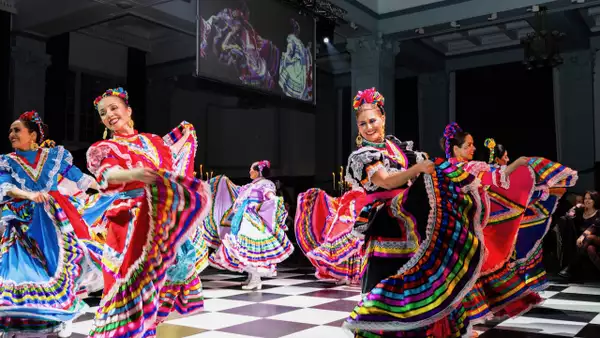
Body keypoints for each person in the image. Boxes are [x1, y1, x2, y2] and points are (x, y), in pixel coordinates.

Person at [338, 88, 487, 337]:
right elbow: (385, 181)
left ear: (383, 118)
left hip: (411, 221)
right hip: (386, 221)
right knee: (389, 280)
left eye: (372, 120)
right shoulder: (362, 155)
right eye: (362, 123)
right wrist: (417, 169)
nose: (368, 127)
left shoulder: (397, 148)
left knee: (422, 274)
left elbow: (421, 171)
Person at [84, 87, 211, 337]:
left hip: (157, 220)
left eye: (113, 108)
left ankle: (148, 329)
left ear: (128, 111)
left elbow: (170, 160)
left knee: (161, 282)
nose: (109, 114)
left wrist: (185, 132)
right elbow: (105, 176)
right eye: (103, 112)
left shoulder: (153, 141)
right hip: (128, 221)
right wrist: (135, 174)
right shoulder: (106, 147)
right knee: (127, 285)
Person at [0, 111, 97, 337]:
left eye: (16, 130)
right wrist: (28, 195)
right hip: (24, 221)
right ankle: (17, 319)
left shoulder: (54, 157)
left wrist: (106, 187)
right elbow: (4, 187)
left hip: (57, 219)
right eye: (10, 131)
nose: (11, 134)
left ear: (32, 135)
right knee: (22, 270)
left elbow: (78, 177)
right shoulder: (7, 161)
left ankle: (61, 316)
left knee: (60, 268)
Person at [208, 160, 294, 290]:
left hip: (253, 219)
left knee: (249, 247)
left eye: (251, 169)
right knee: (242, 248)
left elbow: (269, 194)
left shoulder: (265, 183)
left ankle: (256, 279)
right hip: (244, 217)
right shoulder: (251, 185)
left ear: (258, 171)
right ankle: (251, 277)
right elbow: (239, 194)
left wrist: (274, 199)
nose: (249, 172)